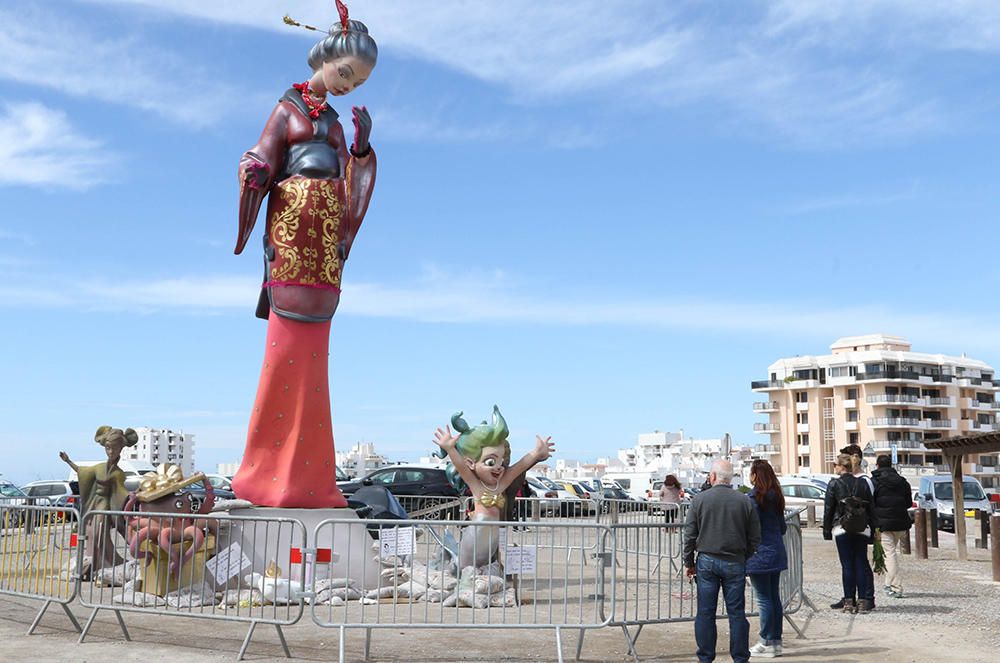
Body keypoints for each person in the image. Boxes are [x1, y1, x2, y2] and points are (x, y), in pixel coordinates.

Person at [230, 1, 378, 508]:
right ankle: (262, 476)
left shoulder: (335, 124)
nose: (346, 86)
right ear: (325, 58)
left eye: (355, 82)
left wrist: (359, 152)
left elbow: (347, 177)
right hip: (291, 243)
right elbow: (262, 156)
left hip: (323, 251)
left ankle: (311, 480)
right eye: (344, 73)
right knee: (283, 356)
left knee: (315, 365)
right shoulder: (287, 108)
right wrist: (252, 171)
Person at [433, 406, 554, 570]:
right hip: (475, 537)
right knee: (465, 567)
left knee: (483, 565)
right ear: (472, 464)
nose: (498, 467)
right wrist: (450, 448)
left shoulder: (501, 484)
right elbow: (461, 466)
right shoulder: (477, 486)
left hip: (493, 537)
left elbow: (520, 465)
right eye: (490, 462)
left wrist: (537, 452)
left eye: (500, 461)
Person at [684, 460, 761, 663]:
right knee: (736, 613)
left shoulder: (699, 500)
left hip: (707, 560)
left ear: (713, 477)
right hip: (735, 561)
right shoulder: (744, 501)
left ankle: (706, 657)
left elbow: (690, 535)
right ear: (730, 478)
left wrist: (688, 562)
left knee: (705, 613)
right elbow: (755, 536)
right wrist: (745, 556)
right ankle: (740, 658)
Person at [59, 426, 138, 575]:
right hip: (95, 503)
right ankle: (94, 562)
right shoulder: (100, 467)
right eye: (108, 448)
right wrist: (68, 461)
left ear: (120, 449)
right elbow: (82, 472)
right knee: (92, 531)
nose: (111, 452)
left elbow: (121, 491)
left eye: (114, 449)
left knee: (98, 531)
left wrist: (133, 496)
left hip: (106, 505)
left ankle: (105, 562)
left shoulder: (118, 473)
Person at [823, 454, 877, 613]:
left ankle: (848, 601)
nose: (835, 468)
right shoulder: (862, 483)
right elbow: (871, 508)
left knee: (847, 565)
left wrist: (827, 531)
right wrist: (874, 529)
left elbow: (828, 509)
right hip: (861, 527)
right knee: (860, 562)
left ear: (841, 466)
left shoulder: (834, 484)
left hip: (842, 527)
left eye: (835, 465)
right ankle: (862, 601)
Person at [745, 459, 787, 658]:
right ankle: (775, 641)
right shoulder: (776, 497)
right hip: (776, 551)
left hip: (759, 554)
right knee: (773, 597)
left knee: (763, 599)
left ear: (755, 475)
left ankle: (765, 641)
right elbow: (783, 527)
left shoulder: (753, 498)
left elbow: (750, 528)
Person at [871, 454, 912, 598]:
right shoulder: (902, 482)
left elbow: (871, 503)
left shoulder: (875, 481)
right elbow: (908, 503)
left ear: (877, 465)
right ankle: (889, 584)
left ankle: (895, 587)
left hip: (883, 524)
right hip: (901, 523)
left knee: (889, 554)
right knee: (891, 554)